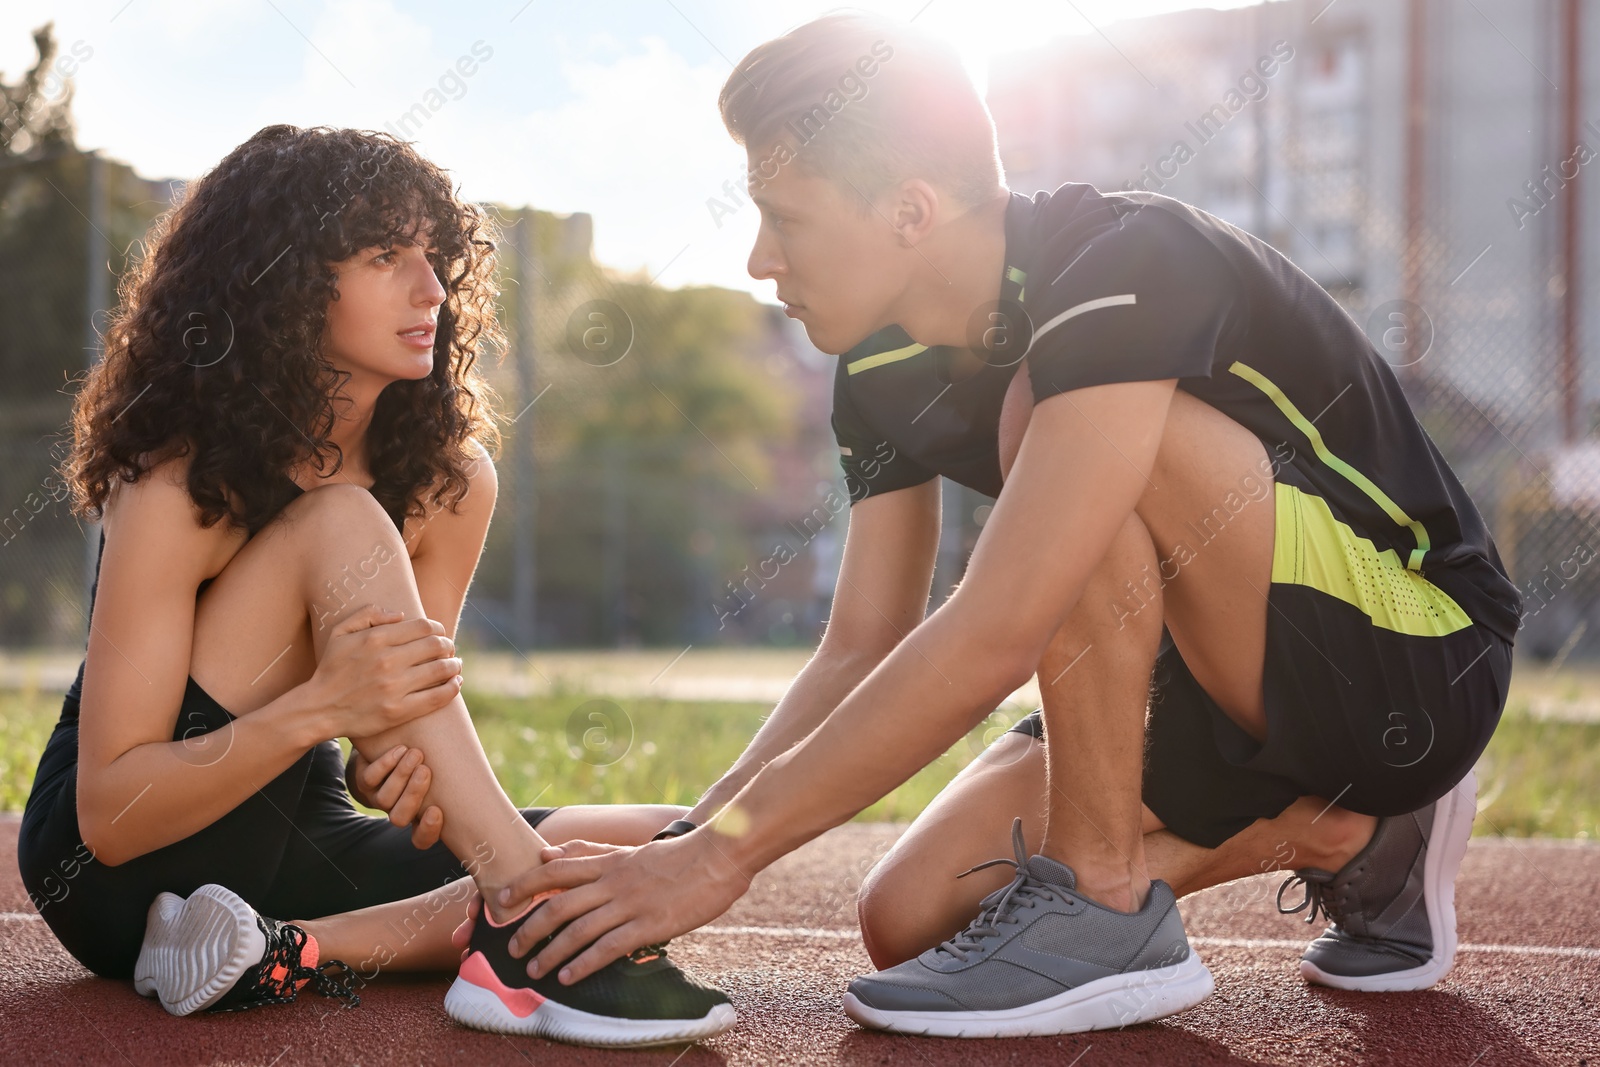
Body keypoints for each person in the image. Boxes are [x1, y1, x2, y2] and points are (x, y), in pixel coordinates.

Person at [485, 14, 1521, 1037]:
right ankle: (1348, 834)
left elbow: (999, 624)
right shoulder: (876, 371)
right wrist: (696, 833)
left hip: (1418, 653)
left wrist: (720, 864)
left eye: (784, 217)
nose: (760, 259)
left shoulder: (1124, 262)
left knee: (1062, 430)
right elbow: (858, 646)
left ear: (908, 210)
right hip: (1197, 666)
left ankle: (1104, 897)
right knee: (909, 915)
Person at [16, 124, 733, 1047]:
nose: (430, 288)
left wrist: (384, 760)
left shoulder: (450, 481)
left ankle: (286, 949)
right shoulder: (174, 484)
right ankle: (516, 911)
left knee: (678, 846)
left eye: (435, 256)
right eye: (385, 255)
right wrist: (321, 710)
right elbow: (113, 817)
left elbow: (392, 732)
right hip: (130, 871)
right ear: (280, 280)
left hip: (307, 844)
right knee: (345, 519)